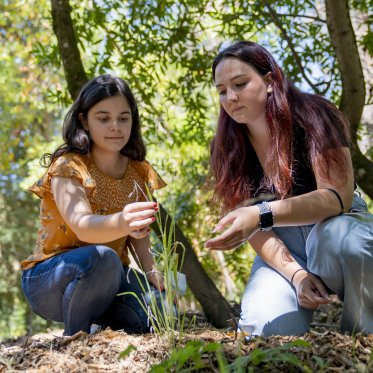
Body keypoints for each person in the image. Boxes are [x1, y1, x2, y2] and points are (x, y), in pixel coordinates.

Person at [205, 41, 373, 336]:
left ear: (269, 81)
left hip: (336, 225)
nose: (230, 97)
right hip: (283, 249)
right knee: (265, 333)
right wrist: (296, 276)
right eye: (221, 91)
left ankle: (365, 337)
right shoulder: (225, 149)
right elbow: (256, 232)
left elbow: (337, 198)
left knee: (346, 241)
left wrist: (261, 213)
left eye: (240, 84)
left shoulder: (315, 114)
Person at [21, 74, 167, 336]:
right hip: (49, 279)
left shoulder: (139, 171)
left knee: (152, 313)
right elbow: (83, 227)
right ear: (83, 121)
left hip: (111, 277)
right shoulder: (69, 165)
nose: (115, 126)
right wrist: (123, 221)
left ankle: (100, 326)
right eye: (103, 118)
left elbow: (138, 233)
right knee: (103, 258)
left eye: (124, 118)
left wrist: (153, 272)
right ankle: (75, 339)